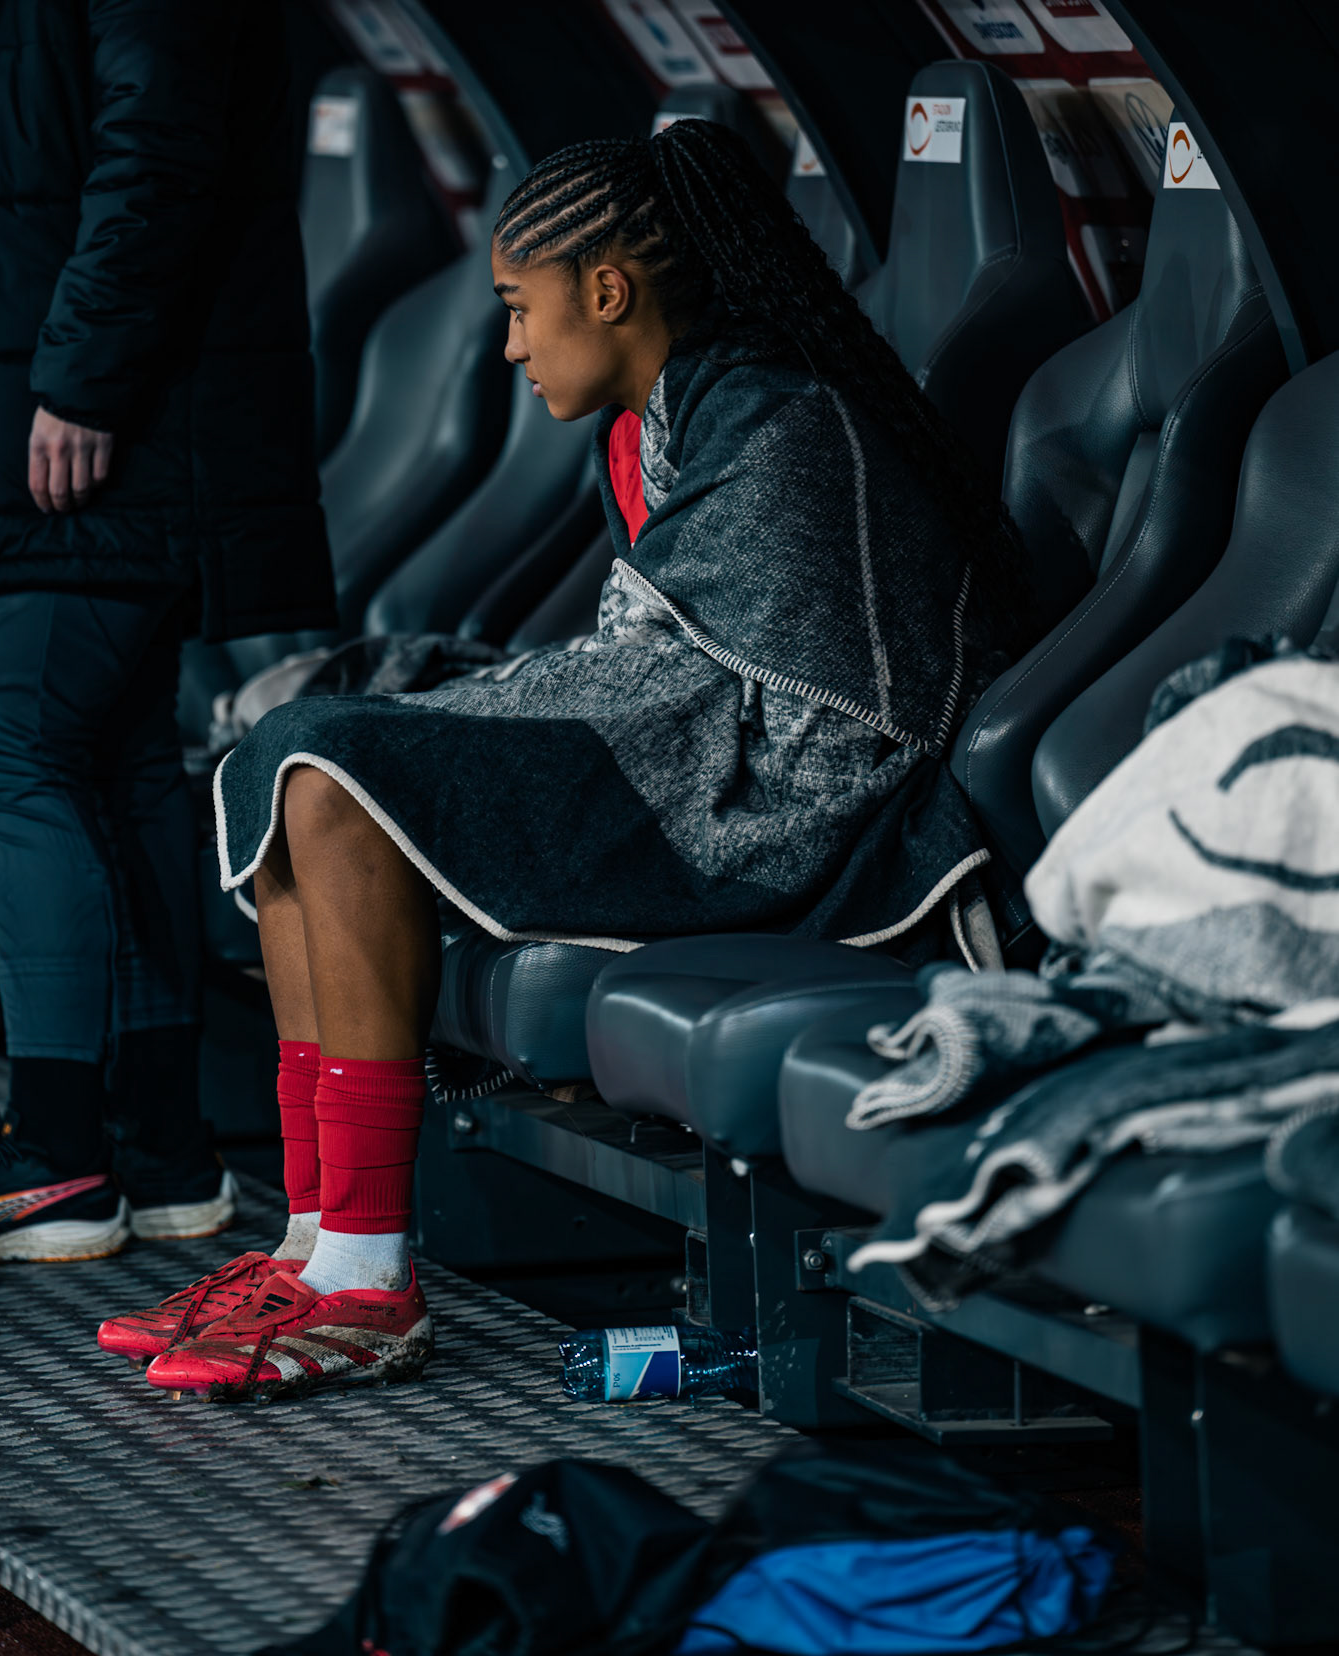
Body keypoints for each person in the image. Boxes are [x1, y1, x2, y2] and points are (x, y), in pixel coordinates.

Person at [97, 116, 1034, 1401]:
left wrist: (459, 713)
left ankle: (371, 1270)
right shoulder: (659, 422)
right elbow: (652, 664)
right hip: (701, 760)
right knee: (293, 754)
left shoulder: (779, 424)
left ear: (607, 288)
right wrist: (458, 700)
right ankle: (314, 1242)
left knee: (338, 761)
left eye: (521, 308)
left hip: (797, 813)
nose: (512, 343)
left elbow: (704, 691)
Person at [0, 0, 333, 1262]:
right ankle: (162, 1145)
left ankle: (54, 1151)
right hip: (86, 399)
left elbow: (156, 140)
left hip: (116, 416)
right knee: (107, 764)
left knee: (17, 748)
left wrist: (83, 378)